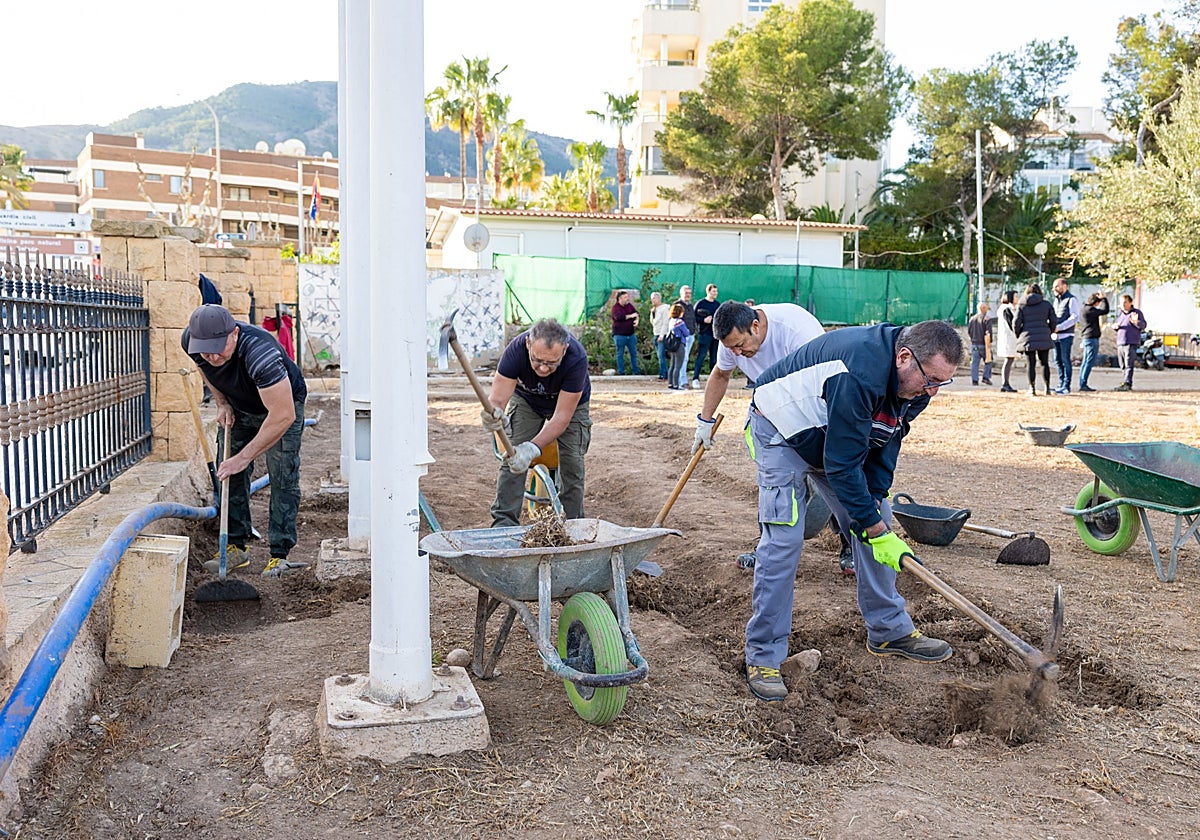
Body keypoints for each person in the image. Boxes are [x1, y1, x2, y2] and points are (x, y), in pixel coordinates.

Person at [739, 320, 963, 701]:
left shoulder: (918, 383)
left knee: (879, 518)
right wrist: (871, 528)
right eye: (930, 381)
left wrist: (873, 509)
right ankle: (763, 654)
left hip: (832, 430)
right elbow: (842, 465)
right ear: (904, 357)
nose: (933, 392)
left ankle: (889, 630)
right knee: (785, 539)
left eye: (943, 382)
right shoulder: (857, 372)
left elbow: (887, 438)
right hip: (780, 430)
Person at [695, 302, 854, 576]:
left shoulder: (797, 332)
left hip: (813, 404)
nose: (736, 353)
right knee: (772, 481)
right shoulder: (731, 338)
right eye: (731, 348)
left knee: (836, 479)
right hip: (769, 406)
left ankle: (851, 545)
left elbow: (827, 383)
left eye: (739, 345)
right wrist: (704, 421)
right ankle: (769, 547)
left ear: (755, 326)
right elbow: (721, 374)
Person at [182, 304, 308, 577]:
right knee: (227, 472)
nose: (212, 356)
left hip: (280, 408)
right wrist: (222, 403)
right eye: (206, 349)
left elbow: (283, 415)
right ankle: (235, 546)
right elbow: (206, 369)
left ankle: (280, 554)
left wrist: (244, 457)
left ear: (235, 334)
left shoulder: (261, 354)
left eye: (219, 347)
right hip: (239, 406)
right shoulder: (193, 343)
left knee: (282, 474)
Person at [481, 319, 592, 525]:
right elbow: (497, 399)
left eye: (551, 363)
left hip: (571, 406)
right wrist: (494, 412)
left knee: (572, 463)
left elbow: (561, 417)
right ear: (528, 345)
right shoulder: (515, 350)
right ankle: (504, 523)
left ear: (565, 350)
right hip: (527, 400)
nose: (542, 368)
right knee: (512, 457)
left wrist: (532, 448)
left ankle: (572, 525)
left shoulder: (576, 358)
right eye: (537, 360)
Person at [1014, 283, 1055, 396]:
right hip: (1043, 336)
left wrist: (1019, 335)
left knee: (1030, 364)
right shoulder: (1046, 304)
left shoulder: (1022, 305)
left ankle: (1032, 388)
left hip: (1028, 337)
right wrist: (1048, 331)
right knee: (1044, 363)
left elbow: (1016, 322)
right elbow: (1054, 321)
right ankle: (1047, 388)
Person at [1051, 277, 1080, 394]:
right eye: (1054, 286)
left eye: (1057, 286)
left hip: (1066, 335)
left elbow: (1074, 317)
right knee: (1057, 360)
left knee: (1065, 359)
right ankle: (1061, 383)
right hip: (1055, 335)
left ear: (1064, 286)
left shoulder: (1071, 300)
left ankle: (1066, 386)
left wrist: (1061, 327)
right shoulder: (1056, 301)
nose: (1055, 288)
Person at [1112, 294, 1146, 391]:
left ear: (1130, 302)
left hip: (1131, 342)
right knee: (1122, 364)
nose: (1123, 305)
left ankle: (1128, 383)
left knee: (1128, 363)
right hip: (1120, 342)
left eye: (1125, 302)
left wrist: (1136, 322)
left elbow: (1143, 325)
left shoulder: (1136, 313)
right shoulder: (1121, 313)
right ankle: (1125, 380)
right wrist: (1115, 327)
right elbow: (1119, 324)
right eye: (1121, 303)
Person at [1078, 291, 1110, 392]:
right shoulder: (1091, 310)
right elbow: (1105, 310)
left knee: (1085, 361)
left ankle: (1082, 382)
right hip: (1091, 338)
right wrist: (1104, 299)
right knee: (1088, 361)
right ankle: (1083, 384)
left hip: (1086, 338)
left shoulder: (1083, 309)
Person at [692, 283, 721, 387]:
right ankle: (695, 378)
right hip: (704, 334)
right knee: (701, 356)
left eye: (716, 291)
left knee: (714, 359)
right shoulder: (700, 304)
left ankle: (713, 380)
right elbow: (694, 318)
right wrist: (703, 320)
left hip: (715, 335)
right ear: (708, 292)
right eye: (714, 291)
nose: (715, 293)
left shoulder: (717, 304)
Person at [610, 290, 640, 375]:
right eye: (625, 297)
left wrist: (637, 320)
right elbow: (619, 317)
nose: (627, 299)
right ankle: (621, 372)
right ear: (620, 298)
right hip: (619, 335)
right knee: (620, 354)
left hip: (631, 334)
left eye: (627, 297)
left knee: (633, 353)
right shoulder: (615, 308)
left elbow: (636, 313)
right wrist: (631, 316)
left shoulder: (629, 306)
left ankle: (635, 371)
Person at [995, 290, 1019, 393]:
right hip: (1009, 339)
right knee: (1008, 361)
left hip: (1009, 338)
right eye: (1016, 297)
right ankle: (1005, 383)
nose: (1017, 299)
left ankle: (1006, 383)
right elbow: (1012, 324)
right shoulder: (1006, 309)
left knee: (1009, 361)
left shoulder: (1008, 309)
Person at [674, 285, 697, 389]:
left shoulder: (690, 306)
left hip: (690, 335)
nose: (688, 295)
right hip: (681, 337)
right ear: (681, 294)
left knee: (685, 359)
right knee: (682, 359)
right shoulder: (677, 305)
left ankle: (682, 380)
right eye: (686, 293)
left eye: (689, 293)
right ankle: (681, 381)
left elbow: (693, 319)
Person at [665, 303, 691, 390]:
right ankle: (676, 384)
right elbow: (686, 333)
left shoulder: (671, 321)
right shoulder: (680, 322)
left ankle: (670, 383)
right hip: (680, 344)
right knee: (678, 366)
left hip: (672, 345)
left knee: (672, 365)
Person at [967, 302, 993, 386]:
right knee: (989, 360)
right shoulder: (986, 319)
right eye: (986, 308)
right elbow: (988, 333)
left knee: (975, 363)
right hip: (983, 344)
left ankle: (975, 380)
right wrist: (989, 344)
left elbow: (969, 331)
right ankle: (986, 377)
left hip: (974, 344)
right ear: (983, 308)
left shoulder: (972, 319)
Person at [649, 291, 671, 380]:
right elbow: (653, 322)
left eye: (655, 297)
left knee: (661, 355)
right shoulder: (654, 309)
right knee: (659, 355)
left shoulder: (665, 308)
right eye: (652, 298)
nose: (653, 300)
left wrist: (662, 335)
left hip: (662, 335)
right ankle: (663, 372)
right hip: (656, 333)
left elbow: (665, 322)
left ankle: (664, 374)